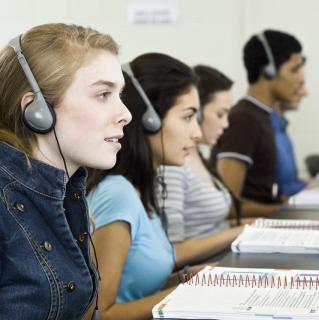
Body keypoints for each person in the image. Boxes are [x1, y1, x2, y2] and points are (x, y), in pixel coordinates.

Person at [0, 23, 131, 319]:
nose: (126, 114)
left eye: (119, 94)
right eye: (103, 95)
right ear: (38, 111)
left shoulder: (66, 192)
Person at [86, 52, 203, 320]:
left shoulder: (138, 190)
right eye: (187, 117)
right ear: (150, 120)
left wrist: (185, 279)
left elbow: (137, 289)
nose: (197, 133)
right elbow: (99, 313)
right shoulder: (118, 193)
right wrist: (188, 292)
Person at [211, 29, 306, 217]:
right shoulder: (245, 121)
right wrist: (286, 209)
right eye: (294, 69)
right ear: (267, 72)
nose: (301, 79)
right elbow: (229, 206)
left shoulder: (263, 116)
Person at [157, 65, 244, 266]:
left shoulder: (197, 155)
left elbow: (211, 227)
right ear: (198, 114)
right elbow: (173, 250)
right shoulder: (173, 166)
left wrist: (247, 226)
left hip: (220, 259)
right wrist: (241, 231)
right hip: (202, 269)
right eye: (220, 114)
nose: (226, 124)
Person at [271, 82, 308, 197]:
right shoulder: (265, 128)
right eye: (299, 86)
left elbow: (289, 183)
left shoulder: (281, 126)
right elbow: (278, 192)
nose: (305, 93)